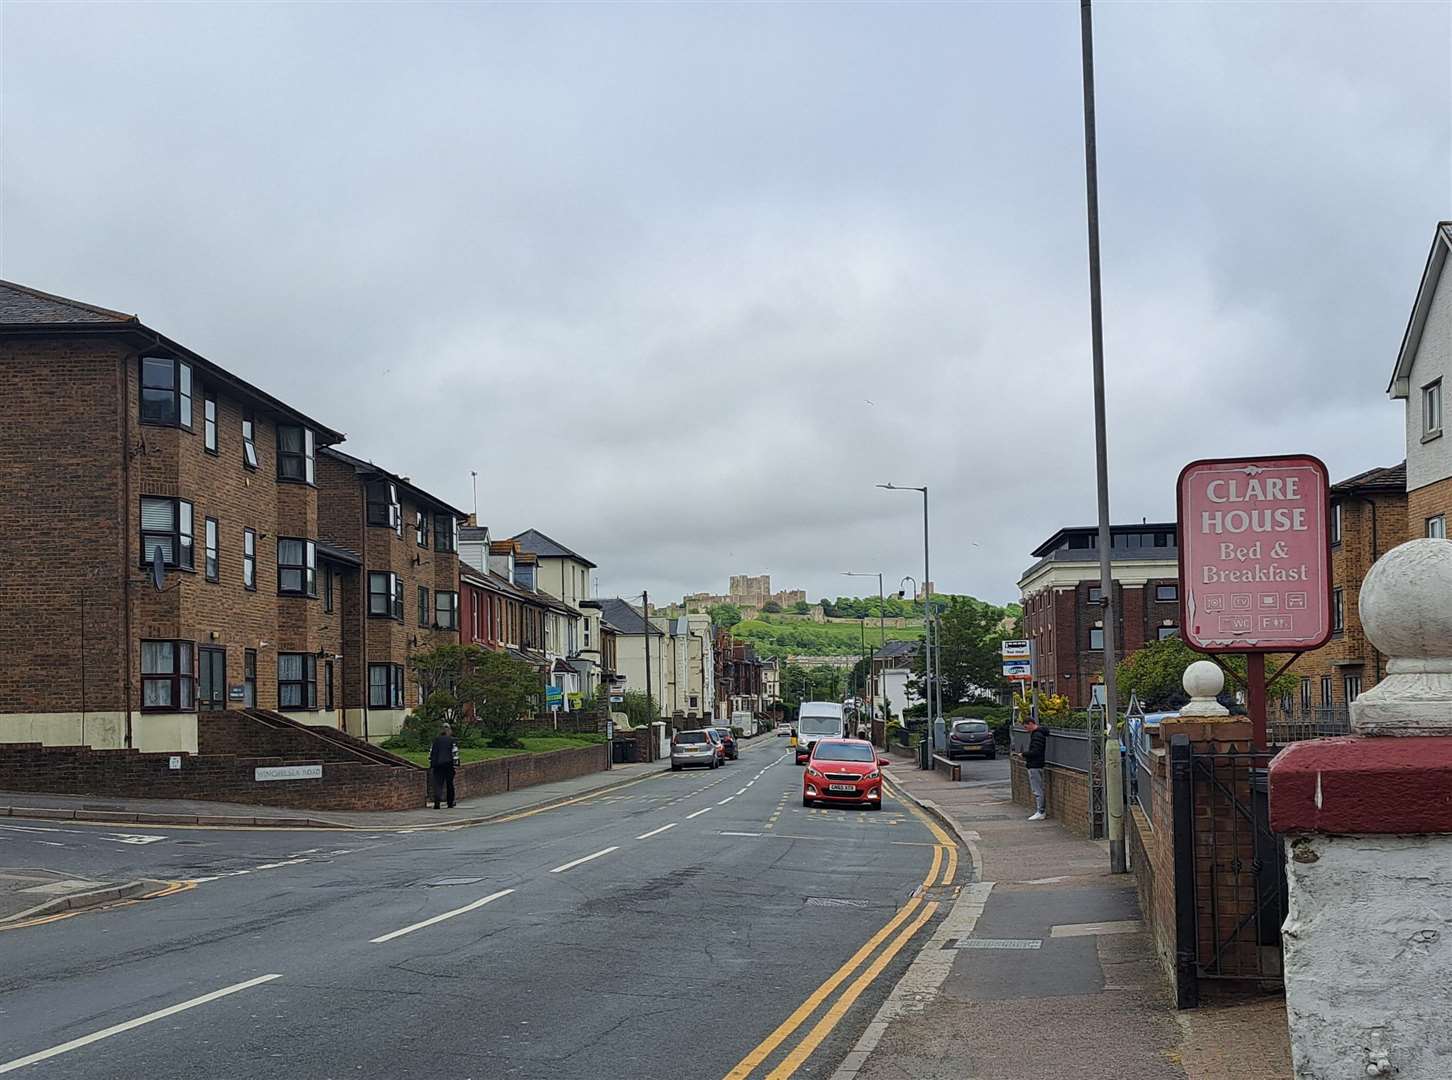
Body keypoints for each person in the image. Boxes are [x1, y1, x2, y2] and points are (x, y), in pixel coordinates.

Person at [1023, 716, 1047, 821]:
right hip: (1037, 764)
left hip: (1035, 765)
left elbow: (1036, 751)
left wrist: (1024, 754)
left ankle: (1040, 811)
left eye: (1026, 726)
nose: (1025, 729)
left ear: (1030, 724)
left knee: (1037, 789)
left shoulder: (1037, 735)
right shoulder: (1038, 734)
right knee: (1038, 788)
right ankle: (1040, 811)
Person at [429, 723, 458, 810]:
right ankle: (450, 803)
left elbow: (431, 753)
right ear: (449, 730)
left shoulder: (435, 740)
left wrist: (431, 763)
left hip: (437, 765)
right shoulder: (452, 740)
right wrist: (455, 764)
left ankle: (437, 803)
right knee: (449, 784)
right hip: (449, 764)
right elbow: (455, 753)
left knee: (438, 784)